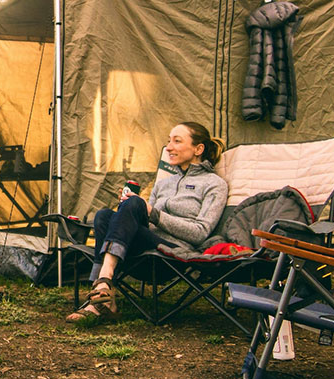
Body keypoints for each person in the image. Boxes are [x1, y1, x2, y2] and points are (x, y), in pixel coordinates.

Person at [68, 122, 229, 323]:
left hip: (174, 255)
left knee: (134, 204)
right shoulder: (164, 183)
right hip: (143, 251)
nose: (168, 147)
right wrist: (128, 210)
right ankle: (104, 293)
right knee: (104, 215)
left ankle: (101, 287)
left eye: (177, 141)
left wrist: (153, 213)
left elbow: (200, 232)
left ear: (199, 149)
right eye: (169, 140)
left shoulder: (215, 184)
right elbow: (144, 221)